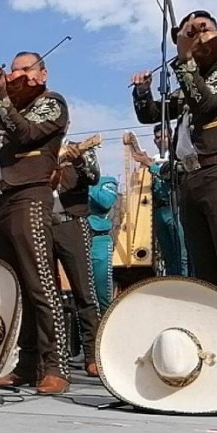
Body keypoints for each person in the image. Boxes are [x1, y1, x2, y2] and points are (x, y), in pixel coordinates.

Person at [131, 10, 217, 403]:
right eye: (189, 31)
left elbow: (206, 105)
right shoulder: (193, 79)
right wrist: (142, 90)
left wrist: (185, 57)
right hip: (191, 179)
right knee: (206, 280)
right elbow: (151, 113)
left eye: (203, 27)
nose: (197, 34)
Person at [0, 51, 70, 395]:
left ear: (42, 73)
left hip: (29, 196)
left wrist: (0, 98)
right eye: (12, 70)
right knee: (16, 287)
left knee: (39, 282)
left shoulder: (51, 103)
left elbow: (25, 134)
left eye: (24, 70)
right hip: (1, 201)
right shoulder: (13, 109)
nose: (16, 75)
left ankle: (56, 365)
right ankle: (27, 364)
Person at [51, 140, 100, 377]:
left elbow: (93, 176)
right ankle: (53, 358)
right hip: (42, 222)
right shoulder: (38, 148)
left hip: (71, 222)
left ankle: (93, 355)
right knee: (46, 295)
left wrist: (79, 160)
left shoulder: (79, 148)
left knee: (84, 292)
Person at [127, 123, 188, 276]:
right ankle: (172, 285)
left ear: (171, 136)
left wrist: (150, 165)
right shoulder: (154, 158)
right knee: (168, 256)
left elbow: (173, 175)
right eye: (157, 137)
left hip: (175, 208)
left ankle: (186, 286)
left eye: (164, 136)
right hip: (159, 211)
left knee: (181, 254)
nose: (160, 140)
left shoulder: (178, 155)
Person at [87, 176, 120, 312]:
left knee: (103, 294)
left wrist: (86, 185)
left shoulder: (107, 181)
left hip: (98, 240)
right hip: (77, 239)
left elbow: (106, 202)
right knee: (85, 295)